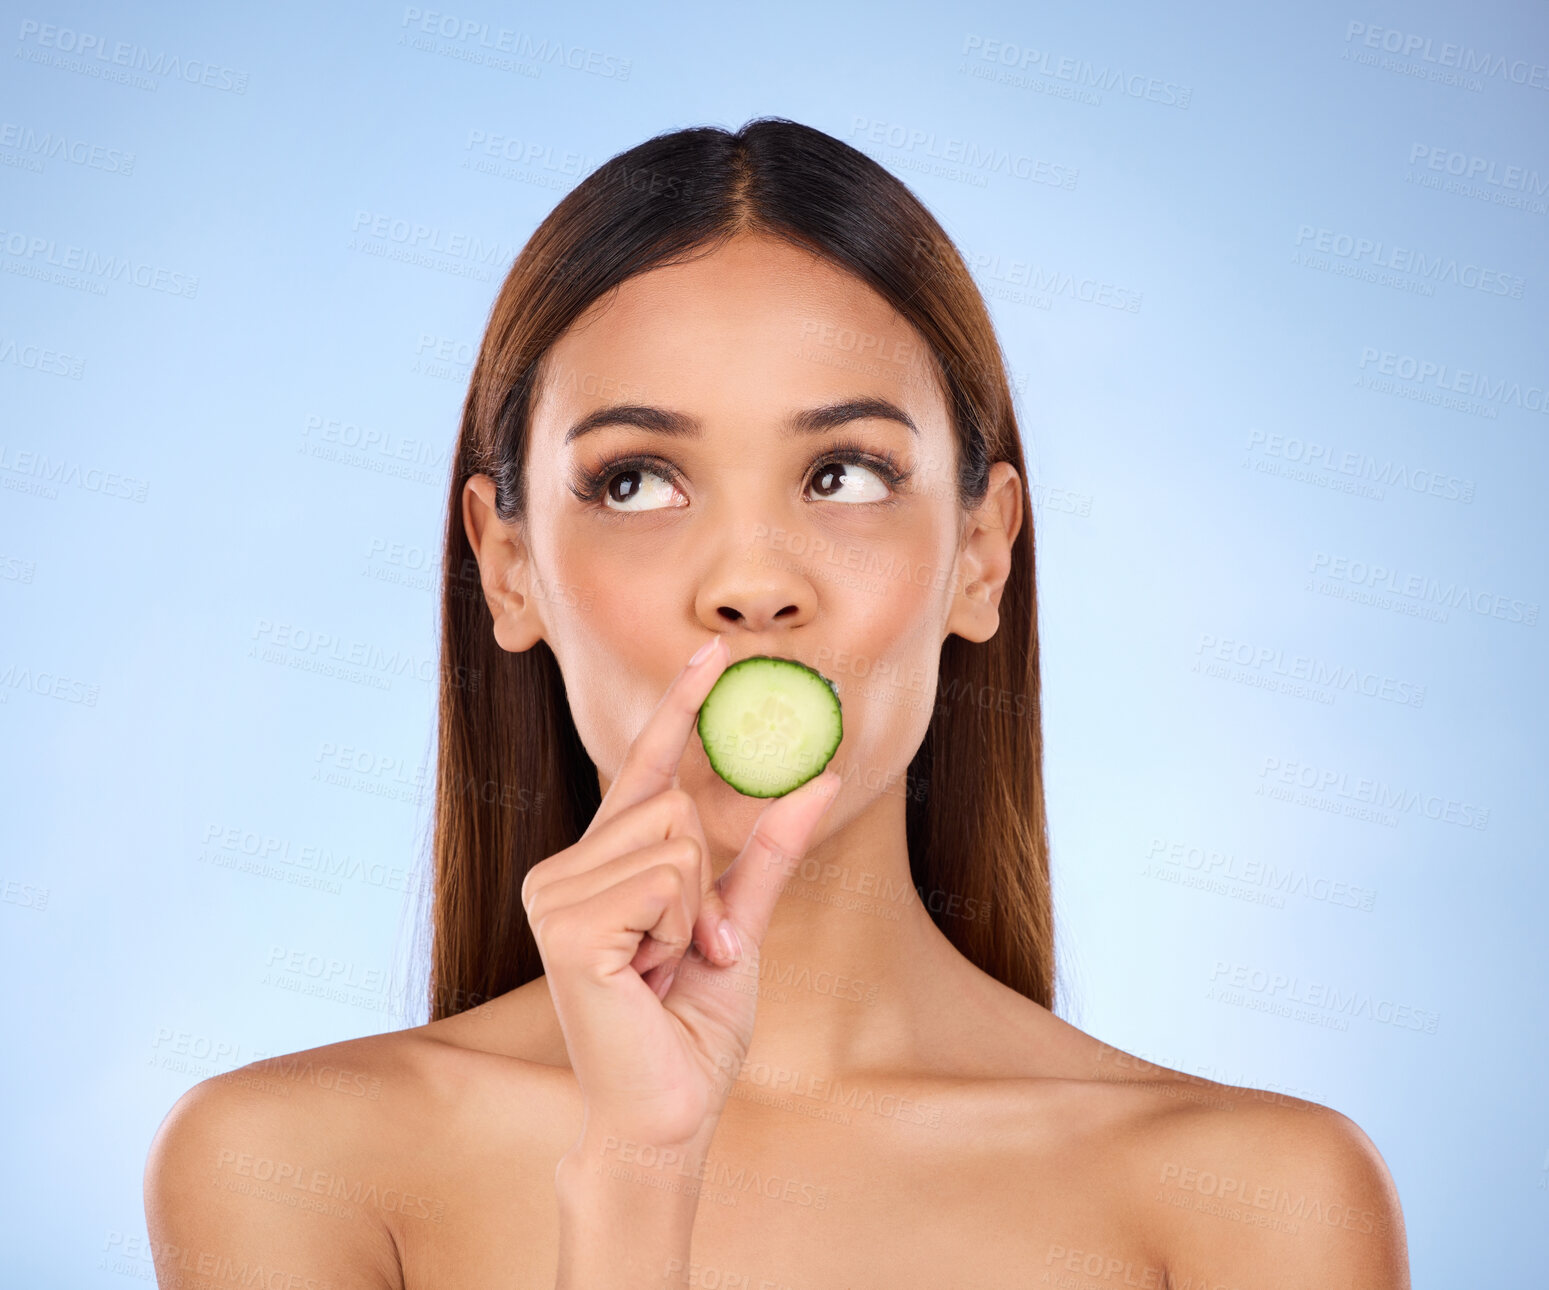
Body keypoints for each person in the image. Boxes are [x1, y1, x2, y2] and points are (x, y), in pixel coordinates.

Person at [143, 117, 1410, 1288]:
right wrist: (638, 1169)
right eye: (635, 481)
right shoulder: (288, 1169)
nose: (752, 586)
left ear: (982, 550)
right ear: (507, 565)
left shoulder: (1264, 1203)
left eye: (843, 473)